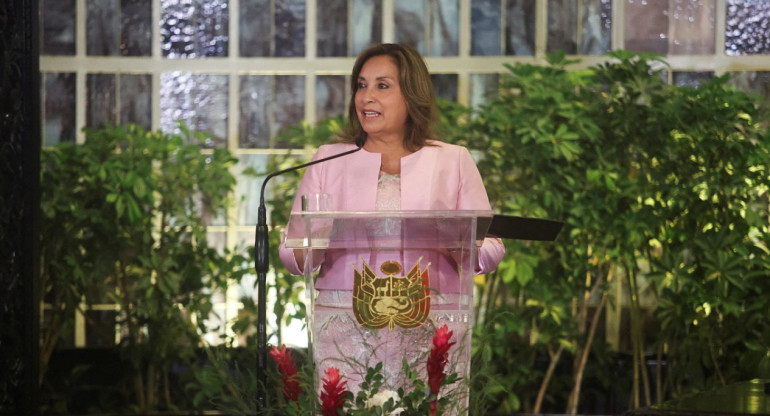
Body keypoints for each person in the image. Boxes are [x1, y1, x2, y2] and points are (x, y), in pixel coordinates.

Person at [277, 43, 504, 402]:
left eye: (382, 86)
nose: (366, 96)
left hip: (431, 323)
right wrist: (315, 241)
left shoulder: (453, 161)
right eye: (361, 85)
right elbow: (292, 254)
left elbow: (491, 246)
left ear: (412, 96)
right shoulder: (328, 161)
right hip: (346, 325)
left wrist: (459, 240)